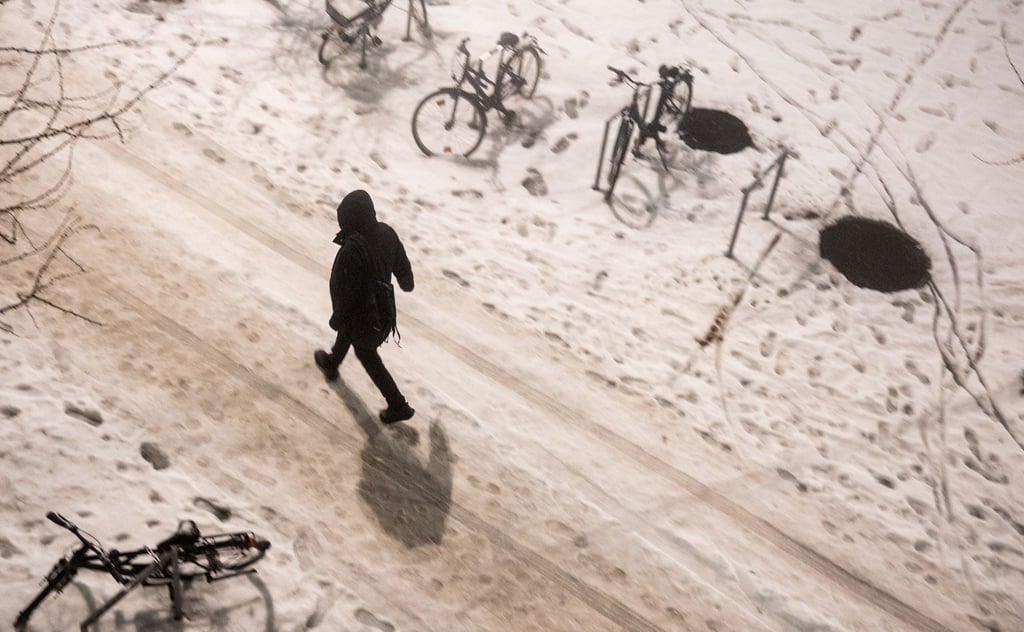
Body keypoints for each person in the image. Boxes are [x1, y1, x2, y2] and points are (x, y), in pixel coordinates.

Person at [314, 189, 416, 424]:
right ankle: (331, 362)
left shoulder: (351, 251)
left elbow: (343, 292)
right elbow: (402, 266)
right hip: (383, 312)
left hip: (363, 319)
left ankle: (397, 404)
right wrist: (406, 282)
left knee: (364, 351)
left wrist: (337, 317)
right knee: (349, 332)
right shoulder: (387, 234)